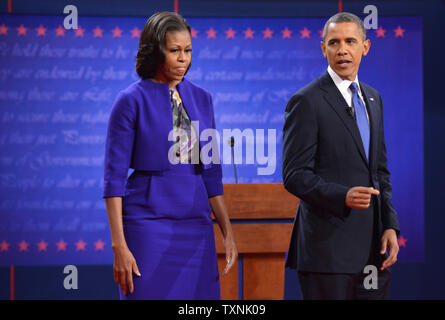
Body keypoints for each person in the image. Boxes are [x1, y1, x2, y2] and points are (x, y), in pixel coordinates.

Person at [103, 11, 237, 300]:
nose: (182, 59)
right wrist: (119, 246)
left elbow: (212, 172)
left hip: (196, 225)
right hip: (147, 225)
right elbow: (113, 180)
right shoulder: (130, 100)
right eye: (174, 50)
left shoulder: (203, 98)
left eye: (188, 50)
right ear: (155, 51)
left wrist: (227, 232)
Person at [282, 12, 400, 300]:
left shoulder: (373, 98)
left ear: (365, 46)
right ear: (324, 49)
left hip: (373, 251)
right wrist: (342, 195)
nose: (342, 49)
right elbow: (294, 175)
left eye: (350, 41)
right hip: (327, 252)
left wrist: (389, 225)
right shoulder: (307, 101)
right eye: (334, 43)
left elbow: (380, 172)